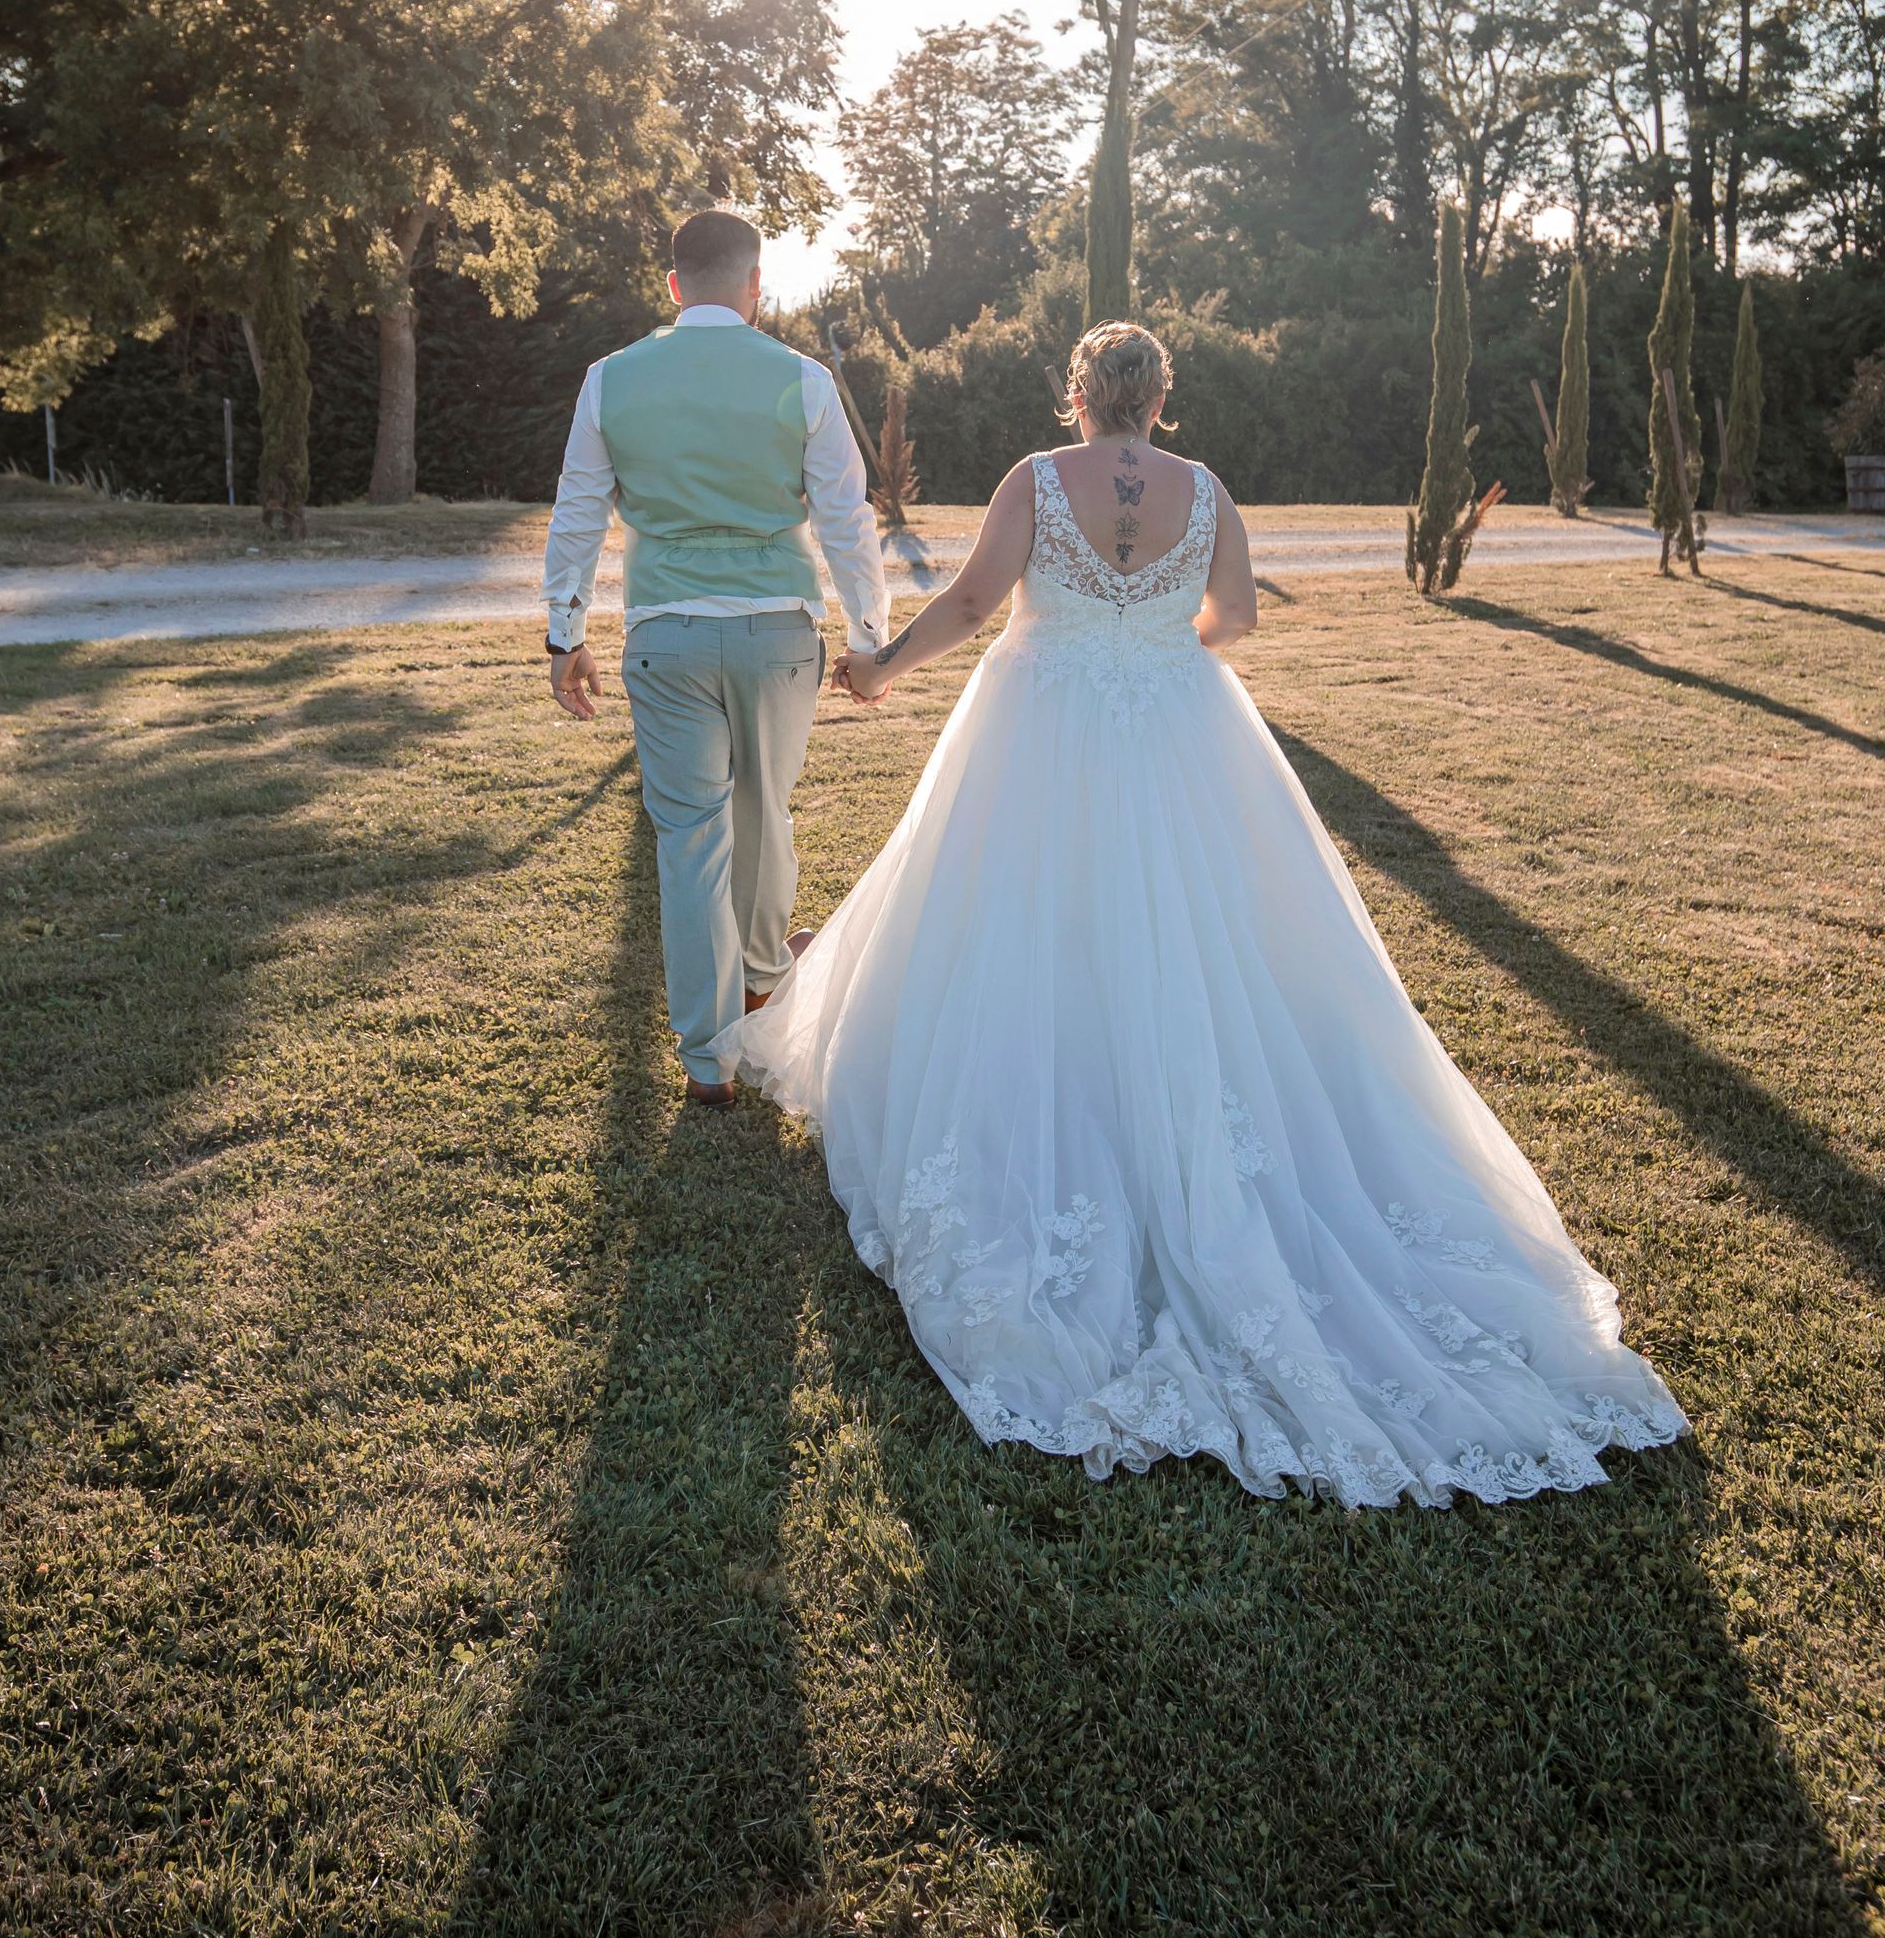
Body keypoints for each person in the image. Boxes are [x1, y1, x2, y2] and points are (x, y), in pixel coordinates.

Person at [716, 319, 1689, 1508]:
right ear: (1160, 401)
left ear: (1081, 395)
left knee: (1016, 912)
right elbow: (1235, 622)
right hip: (1179, 720)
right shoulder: (1208, 491)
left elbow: (975, 599)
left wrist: (881, 669)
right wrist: (1157, 639)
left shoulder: (1036, 479)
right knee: (1207, 931)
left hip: (1043, 717)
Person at [542, 208, 887, 1104]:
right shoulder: (802, 379)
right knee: (765, 815)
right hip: (778, 633)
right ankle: (765, 982)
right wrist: (868, 639)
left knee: (690, 839)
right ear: (754, 287)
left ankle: (707, 1060)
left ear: (672, 286)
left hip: (667, 635)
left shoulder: (610, 379)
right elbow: (849, 521)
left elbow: (578, 510)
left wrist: (564, 632)